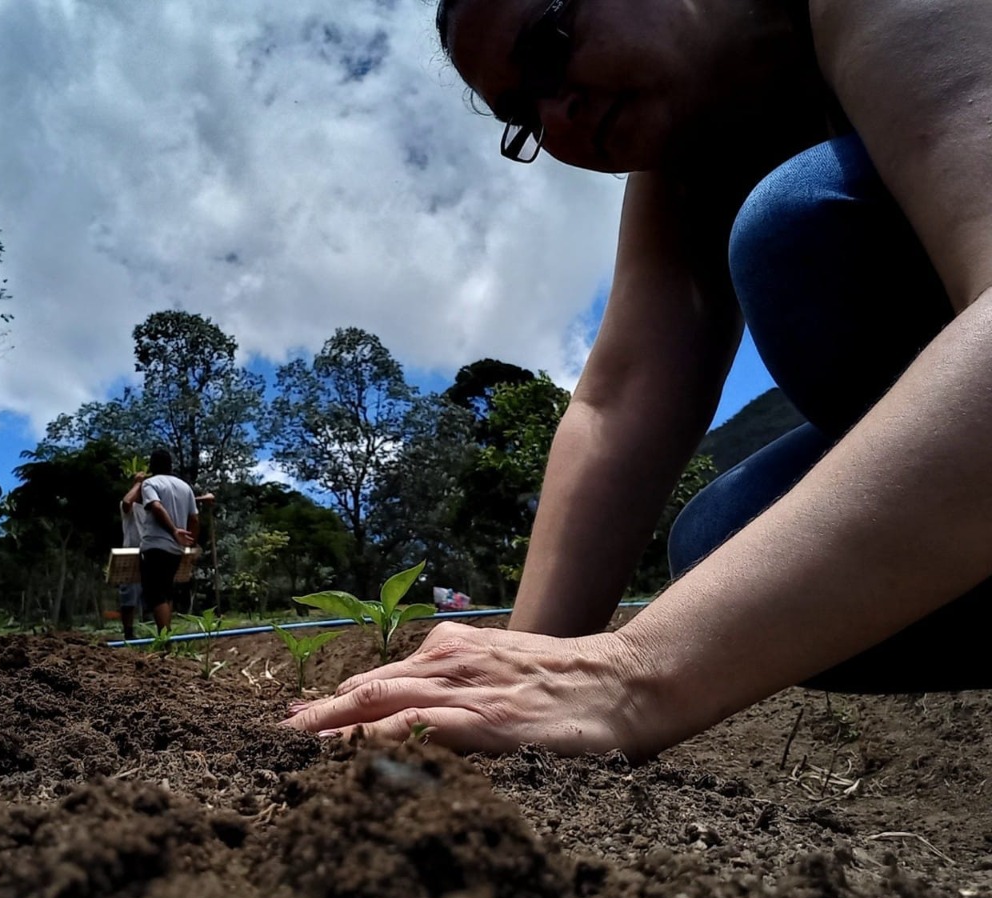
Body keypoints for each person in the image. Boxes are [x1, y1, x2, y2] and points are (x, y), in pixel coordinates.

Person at [288, 0, 992, 758]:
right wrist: (511, 685)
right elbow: (616, 405)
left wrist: (636, 672)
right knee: (723, 541)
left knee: (799, 236)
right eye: (523, 116)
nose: (559, 115)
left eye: (549, 46)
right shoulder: (694, 145)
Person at [134, 449, 199, 631]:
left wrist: (173, 530)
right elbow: (194, 519)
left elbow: (156, 506)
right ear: (170, 466)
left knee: (155, 594)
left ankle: (165, 640)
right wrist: (189, 543)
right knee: (165, 592)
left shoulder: (150, 483)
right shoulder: (184, 487)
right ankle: (167, 639)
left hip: (155, 546)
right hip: (175, 550)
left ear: (151, 466)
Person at [118, 471, 146, 642]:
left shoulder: (152, 507)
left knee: (156, 596)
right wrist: (138, 482)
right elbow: (127, 501)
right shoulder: (129, 507)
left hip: (149, 552)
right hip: (131, 552)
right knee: (128, 597)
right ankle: (128, 633)